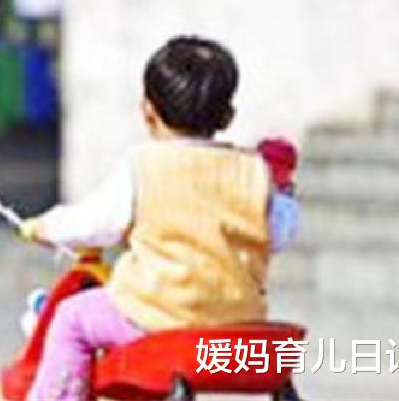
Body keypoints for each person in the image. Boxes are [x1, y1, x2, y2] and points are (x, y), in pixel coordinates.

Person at [17, 37, 302, 401]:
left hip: (157, 319)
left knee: (71, 318)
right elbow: (283, 232)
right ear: (227, 116)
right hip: (236, 325)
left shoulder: (144, 166)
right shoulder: (254, 172)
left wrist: (45, 227)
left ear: (147, 111)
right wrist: (283, 194)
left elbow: (96, 223)